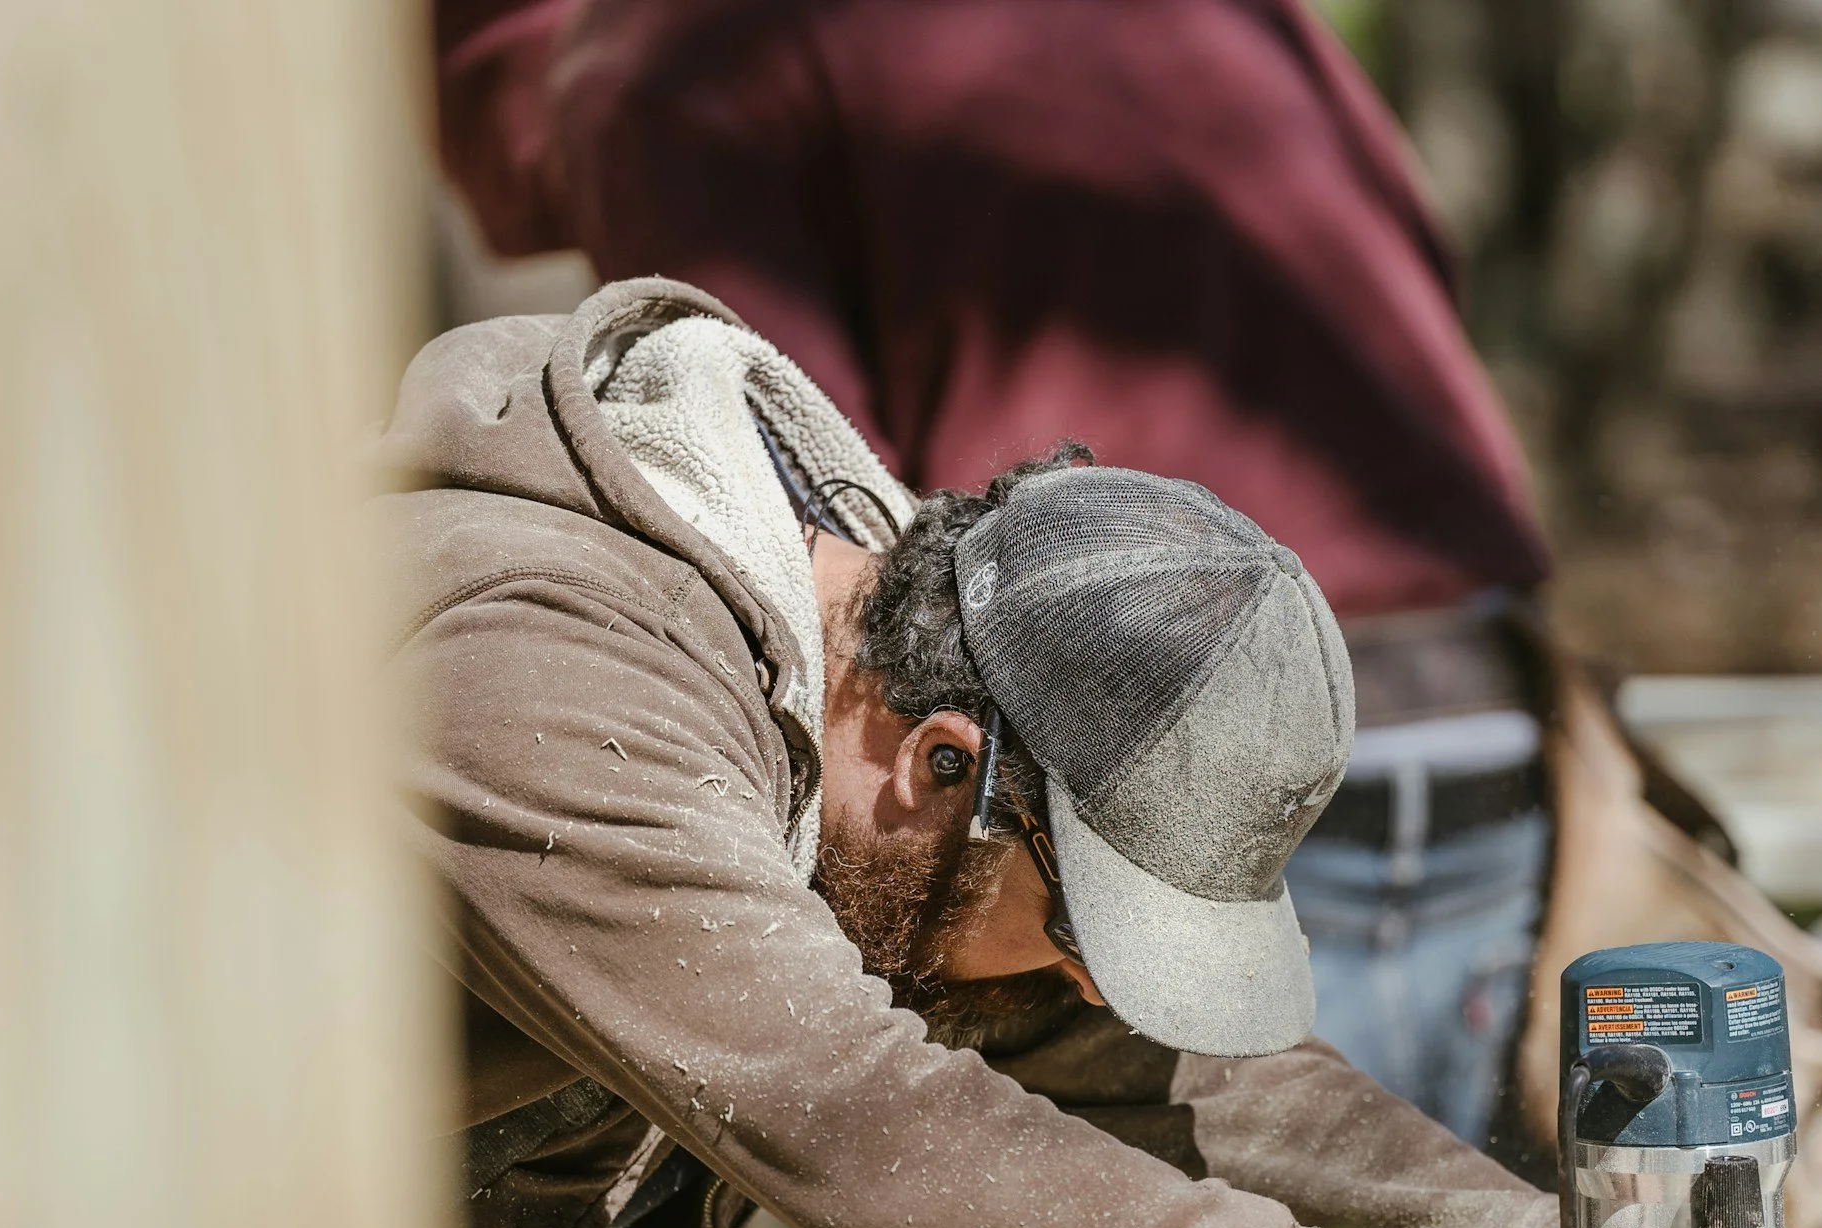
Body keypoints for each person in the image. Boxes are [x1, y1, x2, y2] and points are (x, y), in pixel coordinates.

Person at [383, 277, 1822, 1228]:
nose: (1087, 992)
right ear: (945, 763)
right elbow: (849, 1111)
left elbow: (1197, 1093)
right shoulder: (538, 671)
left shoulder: (901, 742)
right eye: (1083, 931)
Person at [433, 0, 1550, 1146]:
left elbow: (803, 521)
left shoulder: (666, 57)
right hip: (1475, 698)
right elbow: (1417, 266)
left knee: (1035, 1213)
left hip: (1089, 747)